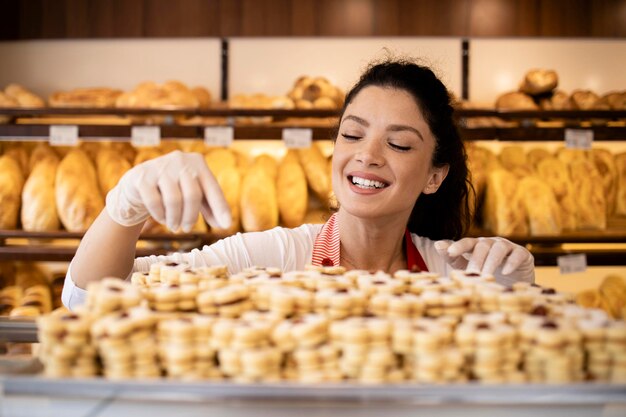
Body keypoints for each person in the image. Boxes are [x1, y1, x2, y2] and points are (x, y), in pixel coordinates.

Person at [62, 58, 534, 310]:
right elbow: (88, 299)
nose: (366, 155)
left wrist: (516, 296)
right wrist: (125, 206)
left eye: (400, 145)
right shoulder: (265, 260)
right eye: (352, 134)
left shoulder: (458, 275)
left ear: (435, 175)